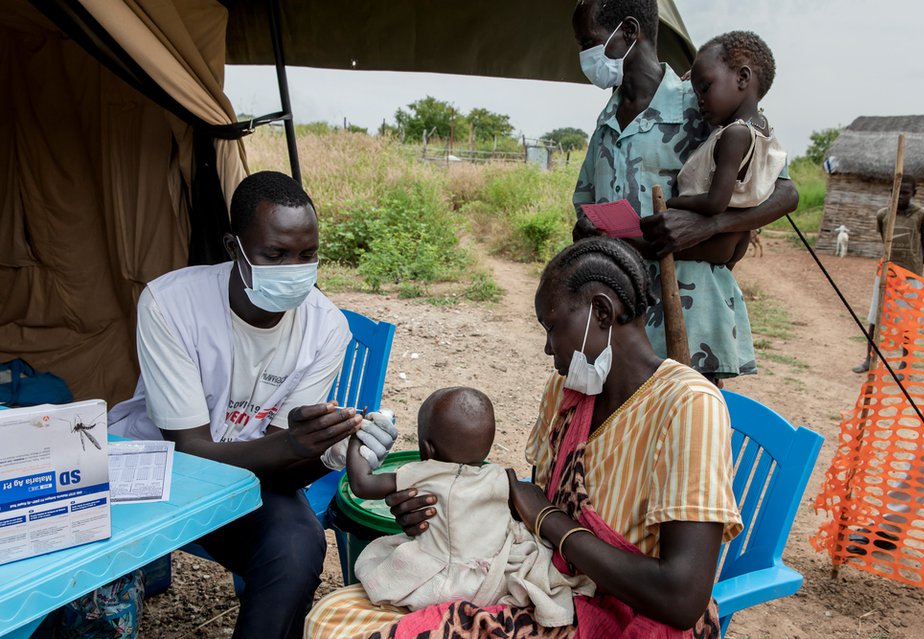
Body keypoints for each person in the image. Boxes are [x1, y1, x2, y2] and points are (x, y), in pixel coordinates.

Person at [305, 236, 742, 638]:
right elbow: (524, 513)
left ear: (602, 313)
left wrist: (549, 519)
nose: (548, 348)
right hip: (541, 579)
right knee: (333, 615)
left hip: (617, 614)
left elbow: (681, 600)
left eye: (552, 327)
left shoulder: (688, 405)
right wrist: (444, 512)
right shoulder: (569, 390)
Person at [107, 171, 398, 639]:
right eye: (275, 255)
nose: (294, 269)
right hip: (158, 473)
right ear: (233, 247)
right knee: (76, 556)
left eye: (307, 255)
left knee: (296, 546)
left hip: (249, 477)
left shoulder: (325, 328)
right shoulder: (170, 304)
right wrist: (295, 446)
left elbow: (279, 463)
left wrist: (328, 454)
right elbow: (187, 451)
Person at [571, 0, 798, 383]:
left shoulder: (705, 106)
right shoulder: (606, 122)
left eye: (589, 42)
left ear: (628, 32)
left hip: (690, 324)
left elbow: (784, 192)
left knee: (685, 435)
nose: (584, 55)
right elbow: (585, 203)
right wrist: (586, 235)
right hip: (620, 321)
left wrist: (710, 225)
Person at [347, 386, 594, 627]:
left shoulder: (424, 474)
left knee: (377, 558)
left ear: (426, 449)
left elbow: (361, 484)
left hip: (441, 585)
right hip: (495, 581)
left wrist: (356, 439)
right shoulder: (501, 476)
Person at [666, 31, 787, 268]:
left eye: (705, 87)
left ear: (742, 78)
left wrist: (671, 203)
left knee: (640, 246)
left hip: (713, 237)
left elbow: (715, 204)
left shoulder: (735, 134)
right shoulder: (762, 129)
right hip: (735, 235)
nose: (699, 100)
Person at [852, 174, 924, 373]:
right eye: (898, 192)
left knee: (907, 322)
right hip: (886, 274)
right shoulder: (883, 214)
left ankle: (904, 364)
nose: (901, 197)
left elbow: (922, 243)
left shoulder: (921, 214)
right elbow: (884, 239)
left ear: (913, 194)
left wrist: (920, 259)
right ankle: (869, 360)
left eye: (906, 193)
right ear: (891, 193)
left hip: (911, 276)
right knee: (874, 318)